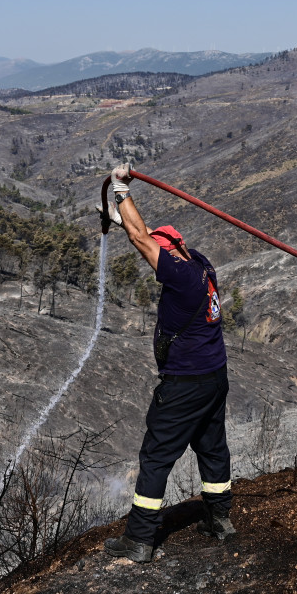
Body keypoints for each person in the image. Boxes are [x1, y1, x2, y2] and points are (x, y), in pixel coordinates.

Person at [101, 163, 236, 563]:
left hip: (185, 383)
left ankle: (140, 539)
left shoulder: (179, 278)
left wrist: (121, 188)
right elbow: (142, 238)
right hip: (215, 377)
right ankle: (219, 520)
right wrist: (117, 217)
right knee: (212, 448)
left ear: (167, 252)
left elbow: (143, 239)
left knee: (156, 456)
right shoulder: (199, 263)